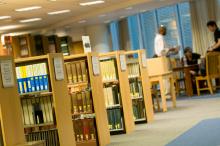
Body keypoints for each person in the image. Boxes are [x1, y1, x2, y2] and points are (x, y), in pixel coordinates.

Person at [154, 26, 179, 99]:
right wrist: (172, 49)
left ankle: (169, 92)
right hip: (163, 58)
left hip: (162, 58)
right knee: (166, 76)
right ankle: (167, 93)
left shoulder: (158, 38)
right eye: (165, 31)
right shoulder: (160, 38)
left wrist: (171, 50)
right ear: (162, 31)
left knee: (167, 76)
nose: (166, 32)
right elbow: (162, 51)